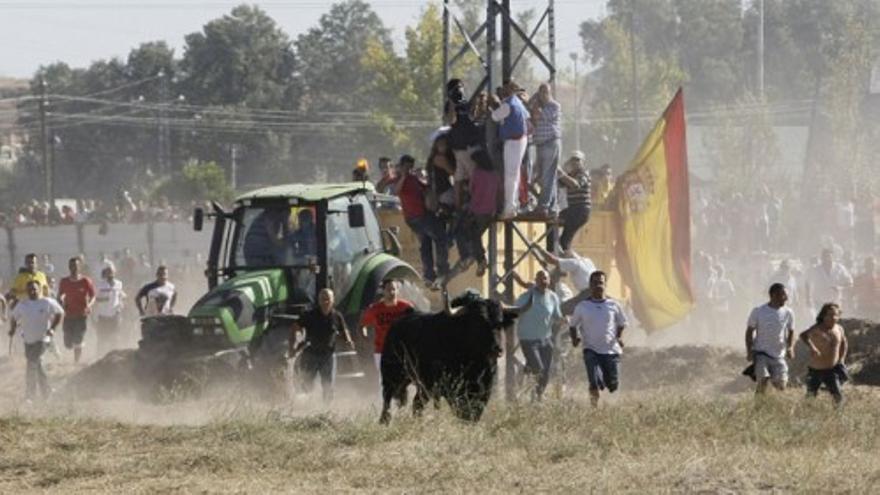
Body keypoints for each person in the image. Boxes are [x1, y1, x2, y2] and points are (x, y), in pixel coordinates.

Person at [569, 271, 627, 407]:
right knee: (593, 381)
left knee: (613, 385)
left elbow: (622, 323)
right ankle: (593, 407)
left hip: (611, 351)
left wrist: (619, 337)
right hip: (591, 349)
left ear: (605, 284)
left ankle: (605, 384)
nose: (598, 285)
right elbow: (572, 325)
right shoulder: (582, 306)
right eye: (595, 283)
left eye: (600, 282)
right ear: (590, 285)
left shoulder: (614, 305)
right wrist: (574, 339)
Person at [393, 154, 449, 286]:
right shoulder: (398, 179)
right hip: (416, 218)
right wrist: (404, 175)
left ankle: (429, 275)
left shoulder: (413, 179)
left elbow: (426, 188)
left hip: (420, 216)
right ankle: (442, 270)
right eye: (406, 166)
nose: (409, 169)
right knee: (440, 237)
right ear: (401, 167)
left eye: (410, 167)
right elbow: (396, 191)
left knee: (426, 244)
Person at [290, 288, 353, 402]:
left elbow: (344, 330)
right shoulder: (310, 315)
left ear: (333, 300)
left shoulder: (337, 316)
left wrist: (348, 340)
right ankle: (306, 407)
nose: (325, 302)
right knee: (306, 384)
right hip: (310, 354)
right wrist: (295, 343)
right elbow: (295, 326)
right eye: (322, 299)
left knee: (328, 385)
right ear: (318, 301)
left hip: (328, 356)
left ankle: (326, 410)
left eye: (328, 299)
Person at [8, 280, 64, 401]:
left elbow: (60, 313)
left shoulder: (47, 302)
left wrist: (52, 329)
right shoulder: (23, 304)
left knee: (32, 365)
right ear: (27, 291)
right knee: (38, 366)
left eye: (34, 289)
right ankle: (47, 392)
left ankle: (30, 396)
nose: (32, 291)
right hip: (28, 341)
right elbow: (13, 317)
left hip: (43, 339)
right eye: (30, 289)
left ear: (39, 289)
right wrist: (12, 329)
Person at [515, 270, 563, 401]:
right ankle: (529, 373)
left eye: (546, 279)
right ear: (535, 281)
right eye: (540, 279)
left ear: (549, 281)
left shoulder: (553, 297)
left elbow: (557, 316)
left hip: (545, 340)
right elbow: (514, 312)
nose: (543, 281)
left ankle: (538, 395)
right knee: (539, 369)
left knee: (546, 372)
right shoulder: (526, 296)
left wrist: (565, 320)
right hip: (528, 339)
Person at [745, 283, 796, 395]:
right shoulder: (758, 311)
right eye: (784, 295)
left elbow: (791, 330)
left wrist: (790, 347)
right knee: (763, 380)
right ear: (774, 295)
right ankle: (758, 407)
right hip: (761, 353)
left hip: (778, 354)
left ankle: (773, 405)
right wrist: (749, 351)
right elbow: (749, 331)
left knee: (781, 385)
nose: (786, 298)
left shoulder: (788, 312)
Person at [492, 80, 530, 220]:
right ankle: (514, 205)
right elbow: (527, 116)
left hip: (513, 141)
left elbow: (494, 116)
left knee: (510, 175)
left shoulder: (508, 104)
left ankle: (509, 208)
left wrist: (496, 104)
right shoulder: (517, 102)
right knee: (515, 174)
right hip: (521, 139)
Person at [359, 279, 414, 374]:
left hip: (401, 350)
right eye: (388, 289)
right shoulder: (375, 309)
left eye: (394, 289)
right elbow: (362, 325)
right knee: (385, 379)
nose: (392, 292)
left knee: (402, 378)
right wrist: (365, 338)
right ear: (383, 291)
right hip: (382, 351)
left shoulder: (406, 307)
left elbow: (415, 323)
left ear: (397, 290)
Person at [800, 303, 848, 405]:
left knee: (837, 396)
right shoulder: (817, 328)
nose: (833, 318)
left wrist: (841, 359)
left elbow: (844, 343)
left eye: (835, 315)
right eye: (830, 315)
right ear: (823, 316)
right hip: (816, 370)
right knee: (811, 395)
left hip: (832, 369)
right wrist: (813, 348)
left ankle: (837, 416)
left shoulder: (839, 329)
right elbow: (803, 335)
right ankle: (806, 414)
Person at [529, 83, 561, 216]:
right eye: (540, 93)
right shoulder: (537, 104)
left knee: (547, 176)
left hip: (550, 142)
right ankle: (552, 207)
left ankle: (543, 206)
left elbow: (538, 115)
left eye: (545, 92)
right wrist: (533, 99)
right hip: (541, 144)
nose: (543, 95)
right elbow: (531, 111)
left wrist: (536, 103)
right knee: (548, 177)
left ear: (550, 93)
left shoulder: (554, 106)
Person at [536, 246, 597, 315]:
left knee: (563, 309)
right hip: (594, 291)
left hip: (587, 293)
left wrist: (540, 249)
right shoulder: (587, 261)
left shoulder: (574, 263)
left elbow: (552, 260)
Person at [57, 257, 96, 364]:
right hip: (68, 315)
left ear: (80, 267)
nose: (74, 268)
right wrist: (60, 302)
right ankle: (70, 346)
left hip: (81, 315)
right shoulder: (64, 281)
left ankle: (76, 362)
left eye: (76, 265)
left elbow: (93, 296)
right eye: (72, 265)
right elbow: (59, 296)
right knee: (68, 343)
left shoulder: (85, 281)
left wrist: (89, 305)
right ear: (69, 267)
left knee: (78, 339)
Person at [554, 151, 591, 250]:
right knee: (552, 224)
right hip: (571, 209)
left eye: (578, 160)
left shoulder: (584, 174)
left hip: (580, 210)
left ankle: (569, 260)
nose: (575, 162)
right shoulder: (569, 175)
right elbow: (558, 185)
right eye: (573, 159)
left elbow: (575, 185)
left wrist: (561, 173)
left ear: (582, 162)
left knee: (564, 241)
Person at [95, 265, 126, 356]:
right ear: (105, 273)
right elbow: (95, 298)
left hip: (115, 315)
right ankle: (99, 355)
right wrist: (103, 299)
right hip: (103, 315)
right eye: (108, 272)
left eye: (112, 272)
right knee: (102, 337)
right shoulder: (100, 284)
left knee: (115, 336)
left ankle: (114, 355)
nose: (110, 274)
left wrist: (121, 304)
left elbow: (121, 295)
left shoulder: (119, 283)